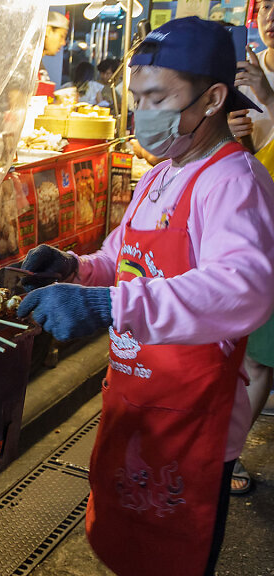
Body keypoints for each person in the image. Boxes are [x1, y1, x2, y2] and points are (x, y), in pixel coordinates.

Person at [17, 17, 274, 575]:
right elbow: (124, 259)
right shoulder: (164, 172)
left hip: (193, 423)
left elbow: (245, 288)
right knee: (125, 549)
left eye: (157, 98)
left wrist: (113, 307)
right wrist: (76, 269)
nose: (142, 114)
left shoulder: (233, 181)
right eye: (136, 98)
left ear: (211, 99)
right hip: (135, 400)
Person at [227, 0, 274, 495]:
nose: (272, 14)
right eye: (266, 4)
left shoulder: (259, 82)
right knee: (237, 350)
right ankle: (224, 447)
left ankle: (229, 451)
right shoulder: (246, 71)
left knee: (261, 358)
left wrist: (269, 101)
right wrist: (237, 137)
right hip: (248, 227)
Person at [39, 11, 69, 84]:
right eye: (62, 36)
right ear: (48, 31)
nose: (63, 43)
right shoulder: (24, 63)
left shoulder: (38, 64)